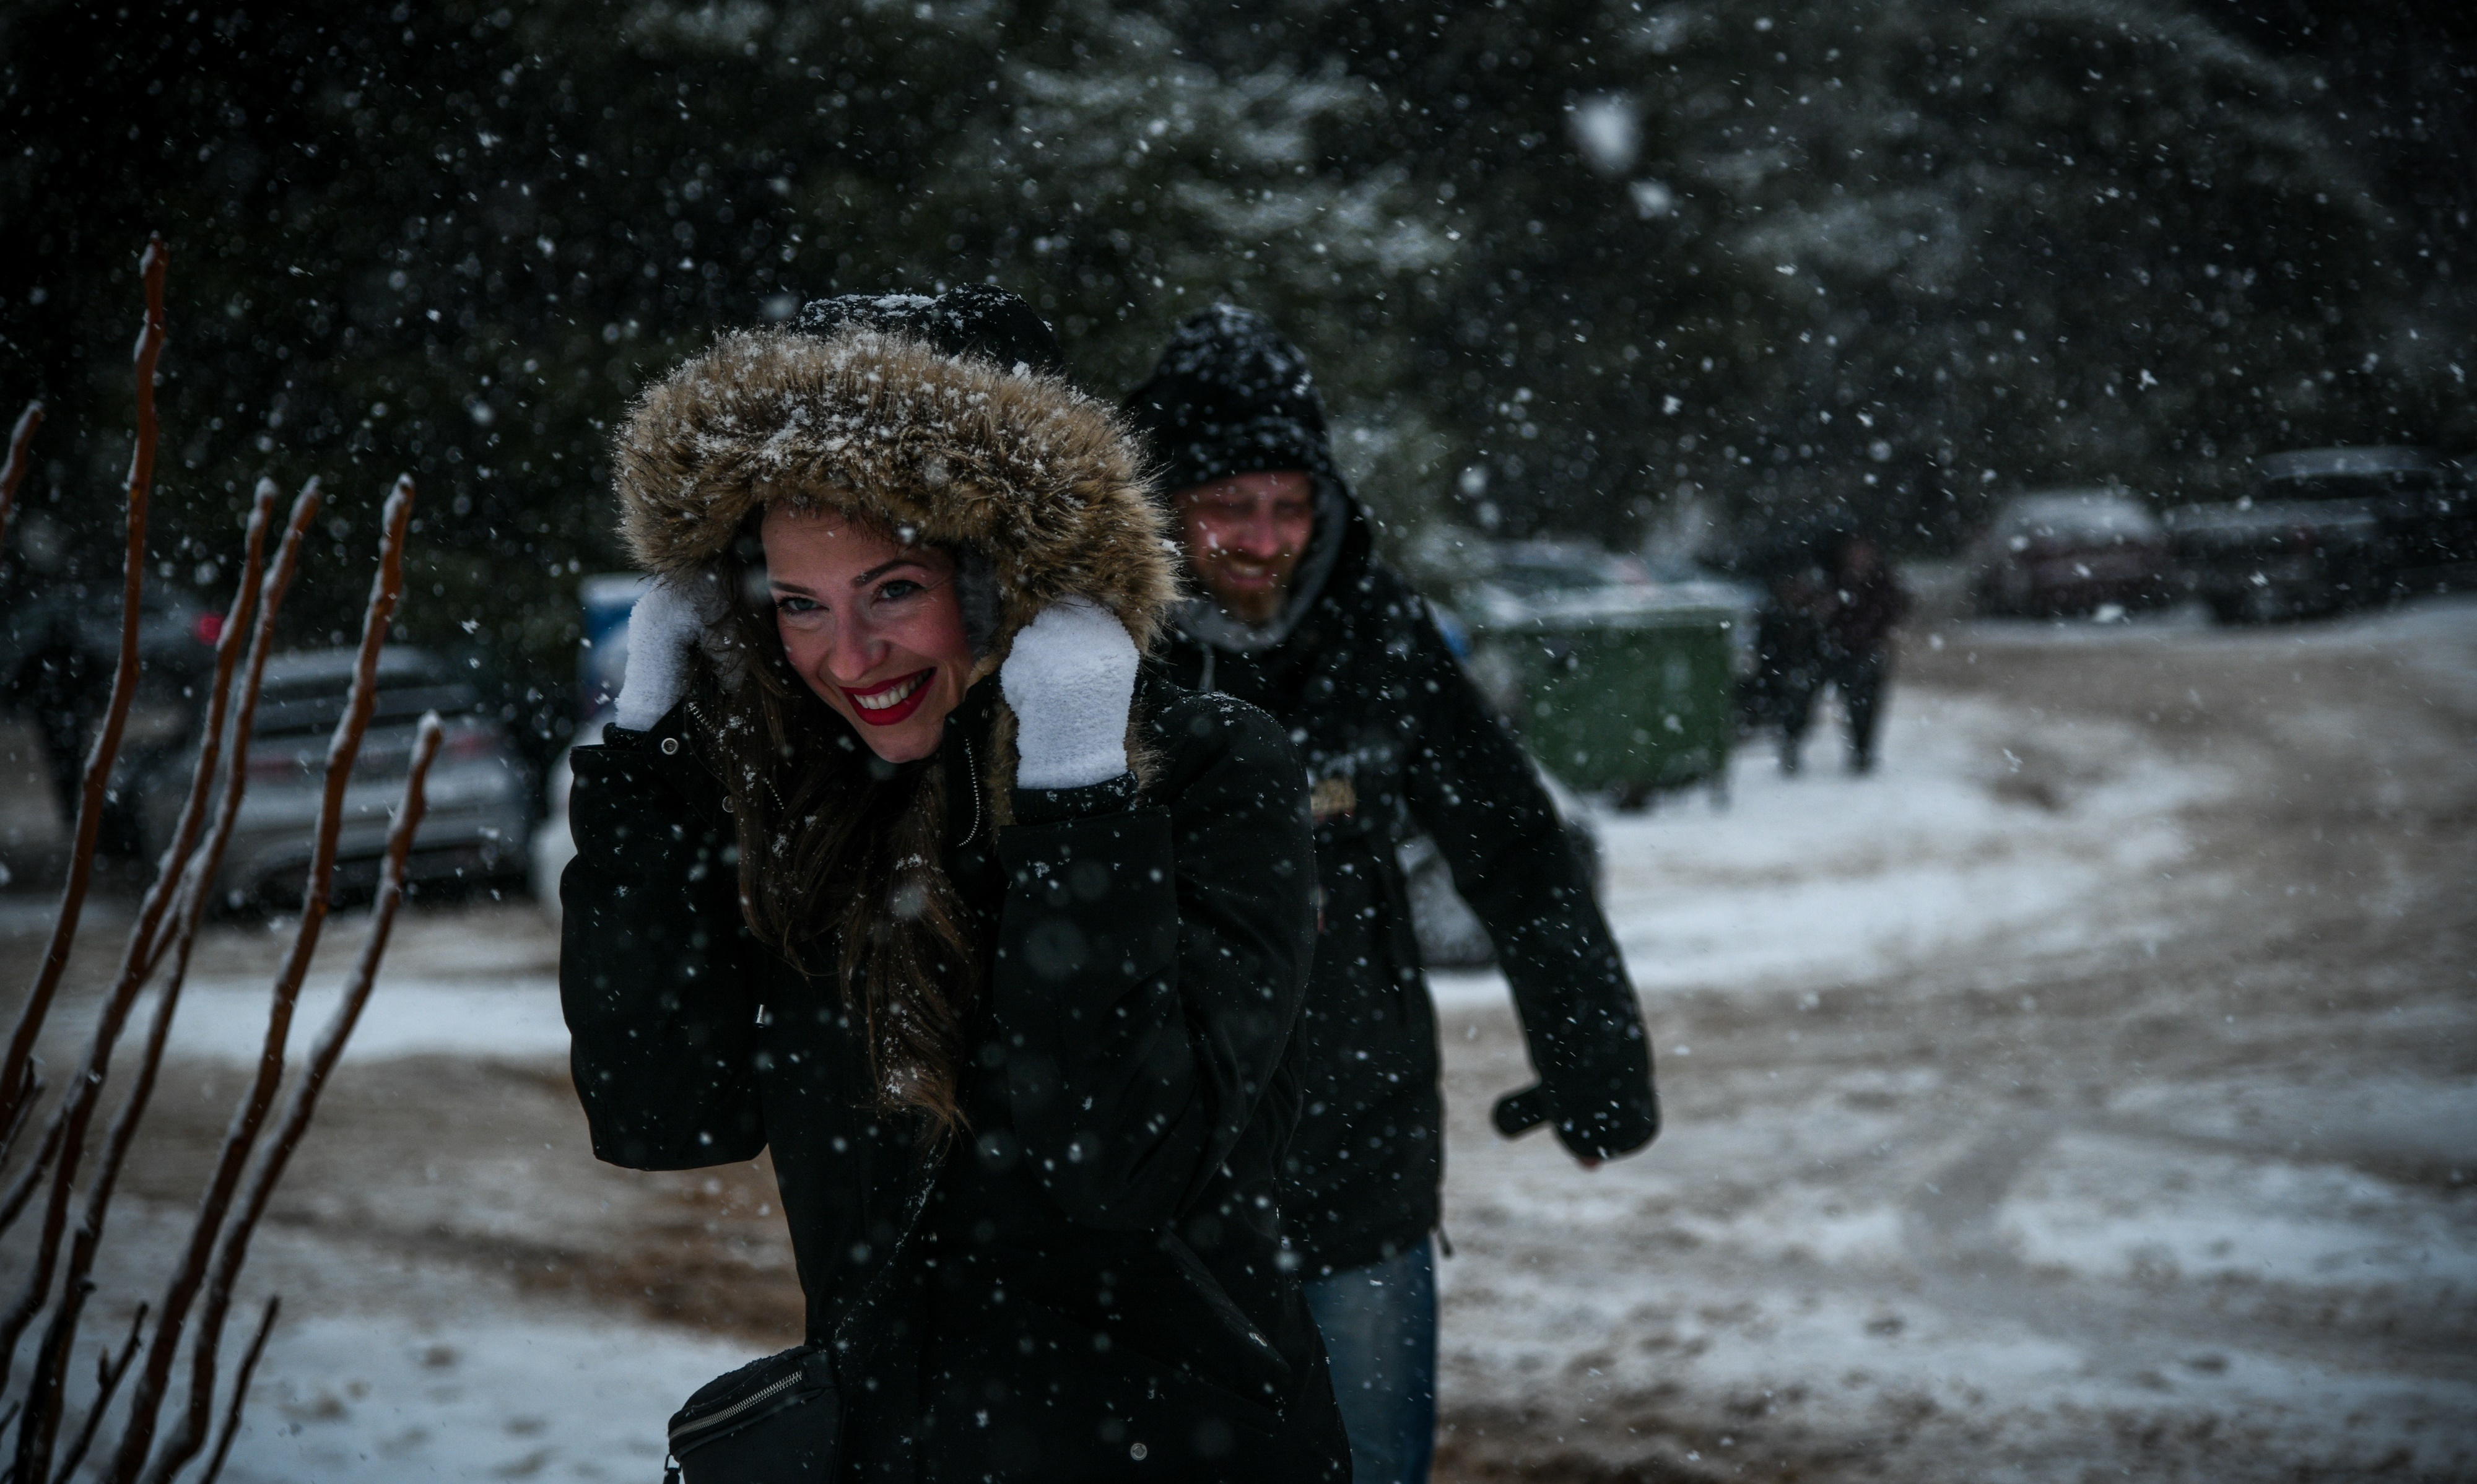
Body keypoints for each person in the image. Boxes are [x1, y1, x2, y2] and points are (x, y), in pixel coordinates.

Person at [560, 286, 1350, 1482]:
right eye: (798, 606)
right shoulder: (807, 807)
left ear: (1011, 578)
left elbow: (1121, 1160)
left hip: (1176, 1449)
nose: (850, 658)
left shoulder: (1207, 775)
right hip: (894, 1445)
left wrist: (1080, 789)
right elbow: (664, 1108)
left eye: (893, 590)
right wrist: (649, 761)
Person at [1123, 306, 1661, 1484]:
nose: (1263, 540)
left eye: (1289, 503)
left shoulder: (1376, 630)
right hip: (1145, 1201)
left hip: (1353, 1176)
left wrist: (1593, 1049)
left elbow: (1517, 849)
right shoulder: (1091, 653)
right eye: (1228, 506)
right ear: (1162, 505)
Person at [1817, 531, 1909, 774]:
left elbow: (1898, 608)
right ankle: (1858, 750)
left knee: (1867, 704)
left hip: (1869, 650)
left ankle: (1863, 751)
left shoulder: (1882, 582)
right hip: (1839, 649)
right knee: (1850, 702)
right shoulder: (1835, 580)